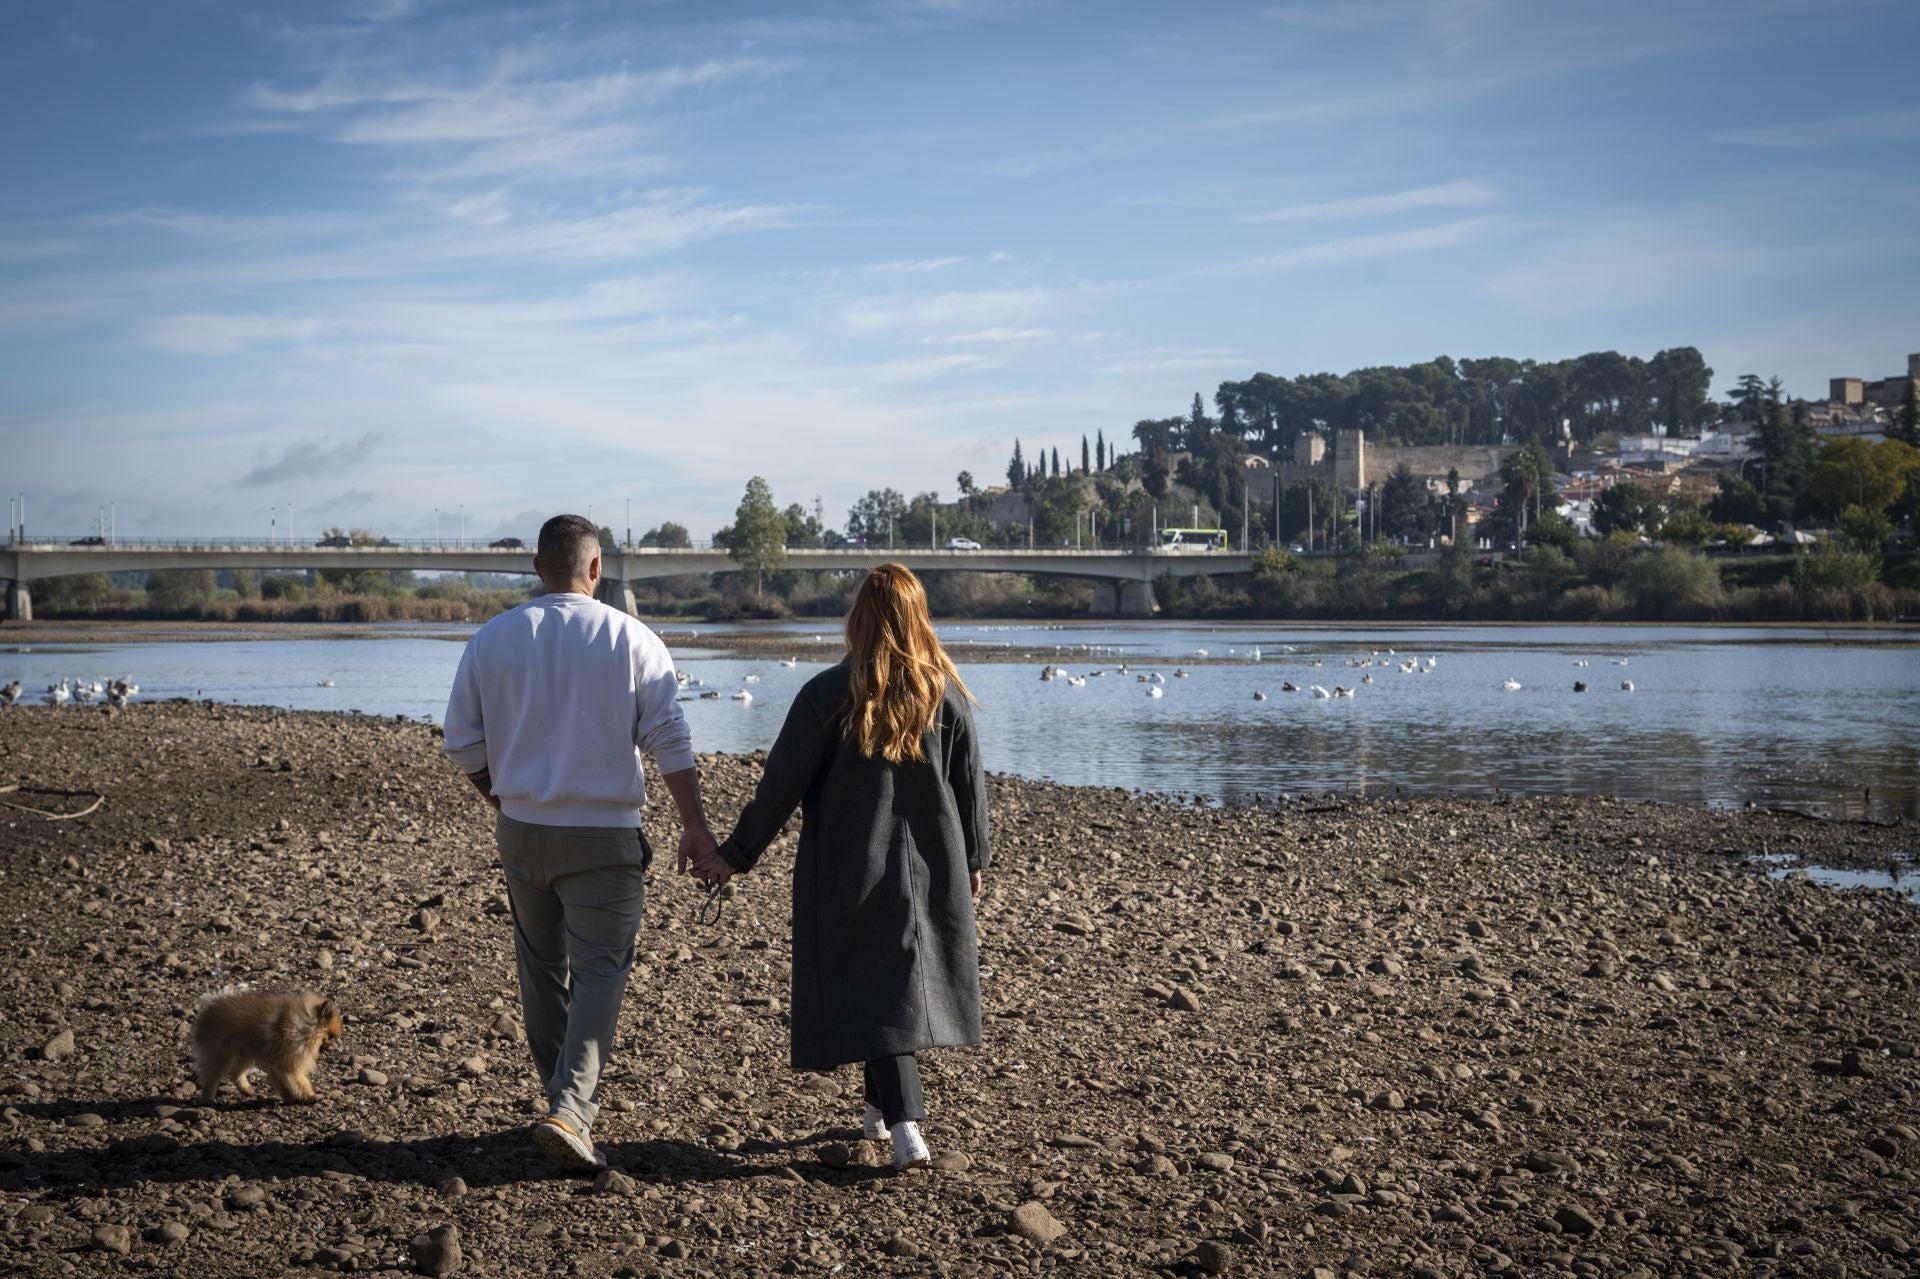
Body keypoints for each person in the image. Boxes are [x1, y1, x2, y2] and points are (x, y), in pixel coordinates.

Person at [691, 563, 987, 1171]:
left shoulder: (828, 694)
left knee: (878, 984)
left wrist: (734, 855)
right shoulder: (947, 695)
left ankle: (907, 1128)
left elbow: (780, 788)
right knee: (898, 976)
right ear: (918, 618)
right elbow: (970, 790)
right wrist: (975, 860)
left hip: (849, 865)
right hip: (933, 863)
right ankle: (879, 1113)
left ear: (861, 618)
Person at [443, 513, 715, 1173]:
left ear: (537, 568)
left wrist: (504, 798)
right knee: (600, 971)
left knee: (542, 969)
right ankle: (569, 1110)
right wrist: (694, 823)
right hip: (603, 834)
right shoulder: (632, 637)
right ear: (597, 569)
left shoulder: (492, 638)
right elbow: (669, 737)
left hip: (524, 829)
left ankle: (564, 1102)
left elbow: (462, 743)